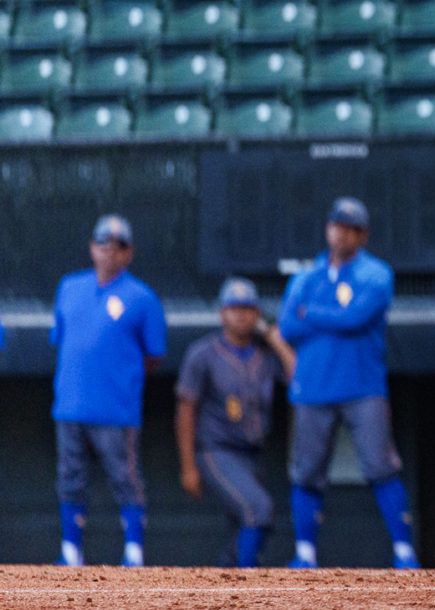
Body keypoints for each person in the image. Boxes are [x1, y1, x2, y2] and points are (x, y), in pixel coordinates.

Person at [278, 197, 418, 569]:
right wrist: (331, 317)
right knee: (307, 471)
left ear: (363, 235)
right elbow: (288, 326)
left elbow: (355, 318)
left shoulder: (377, 274)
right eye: (337, 225)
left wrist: (312, 313)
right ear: (328, 228)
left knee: (381, 466)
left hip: (362, 386)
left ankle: (404, 553)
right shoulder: (305, 276)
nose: (342, 233)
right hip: (313, 386)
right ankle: (305, 554)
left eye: (351, 228)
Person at [51, 214, 166, 567]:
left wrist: (120, 379)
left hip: (116, 408)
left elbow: (154, 356)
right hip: (71, 403)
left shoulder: (142, 297)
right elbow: (61, 340)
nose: (109, 251)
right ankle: (71, 551)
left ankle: (134, 552)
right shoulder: (69, 287)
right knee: (69, 477)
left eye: (119, 246)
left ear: (129, 253)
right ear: (92, 247)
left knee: (125, 478)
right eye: (103, 244)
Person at [176, 277, 294, 567]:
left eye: (247, 308)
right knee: (258, 509)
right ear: (222, 313)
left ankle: (228, 580)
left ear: (257, 314)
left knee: (246, 524)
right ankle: (245, 580)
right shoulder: (203, 353)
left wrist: (275, 339)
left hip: (253, 452)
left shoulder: (265, 353)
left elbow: (299, 381)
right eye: (234, 308)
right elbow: (186, 410)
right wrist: (188, 466)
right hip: (216, 450)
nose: (241, 315)